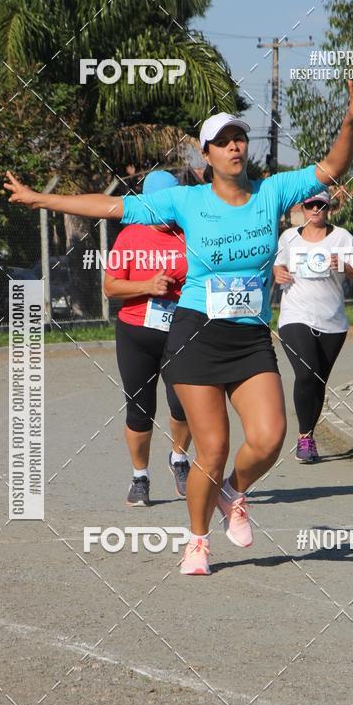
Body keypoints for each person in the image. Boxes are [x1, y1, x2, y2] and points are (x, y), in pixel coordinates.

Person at [4, 74, 353, 576]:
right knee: (214, 447)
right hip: (196, 333)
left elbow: (332, 167)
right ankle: (197, 540)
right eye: (222, 141)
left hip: (249, 336)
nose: (234, 146)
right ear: (206, 155)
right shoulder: (186, 201)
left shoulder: (273, 192)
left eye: (239, 137)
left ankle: (233, 494)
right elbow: (111, 206)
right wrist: (39, 199)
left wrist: (351, 117)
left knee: (270, 437)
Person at [104, 170, 191, 506]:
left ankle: (179, 460)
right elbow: (110, 287)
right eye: (158, 204)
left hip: (183, 330)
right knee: (139, 412)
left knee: (184, 404)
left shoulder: (191, 235)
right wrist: (146, 286)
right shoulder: (130, 236)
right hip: (136, 333)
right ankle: (140, 477)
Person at [273, 189, 353, 463]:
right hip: (295, 316)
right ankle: (304, 438)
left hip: (332, 322)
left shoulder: (343, 238)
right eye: (310, 205)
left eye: (321, 206)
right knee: (306, 374)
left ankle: (309, 434)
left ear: (329, 209)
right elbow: (277, 267)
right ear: (302, 209)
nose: (315, 210)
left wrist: (347, 268)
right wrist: (276, 272)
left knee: (317, 381)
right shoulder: (288, 237)